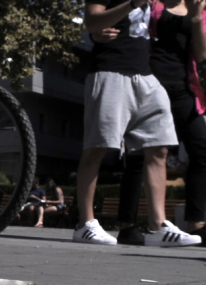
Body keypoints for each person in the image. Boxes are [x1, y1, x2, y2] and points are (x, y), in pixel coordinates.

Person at [77, 0, 200, 246]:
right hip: (110, 70)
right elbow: (91, 21)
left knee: (159, 147)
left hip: (145, 75)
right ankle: (85, 224)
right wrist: (130, 5)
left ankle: (157, 227)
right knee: (97, 148)